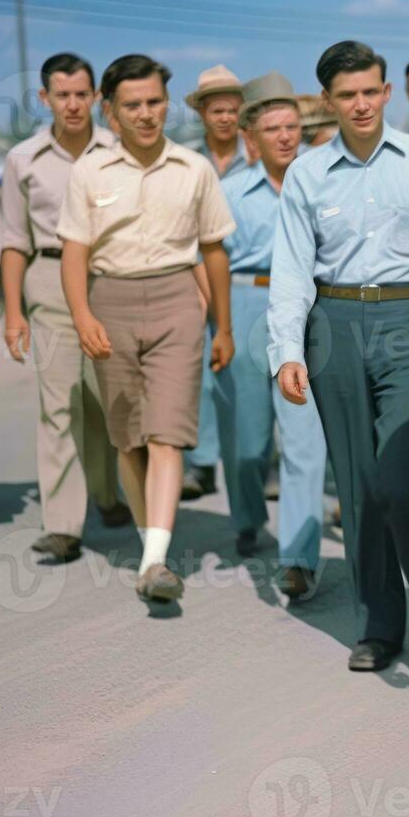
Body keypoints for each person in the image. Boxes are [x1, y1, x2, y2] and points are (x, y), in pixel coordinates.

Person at [269, 40, 409, 672]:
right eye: (347, 95)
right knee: (357, 485)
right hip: (336, 325)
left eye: (370, 91)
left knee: (403, 475)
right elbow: (292, 270)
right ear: (327, 101)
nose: (361, 104)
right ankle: (379, 622)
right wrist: (287, 351)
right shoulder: (306, 174)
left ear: (386, 91)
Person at [58, 54, 236, 603]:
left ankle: (155, 561)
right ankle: (149, 541)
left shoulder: (194, 169)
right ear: (110, 112)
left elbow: (213, 252)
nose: (145, 114)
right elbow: (73, 251)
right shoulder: (89, 171)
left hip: (177, 301)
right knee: (126, 437)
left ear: (166, 103)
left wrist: (222, 327)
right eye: (132, 106)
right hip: (109, 302)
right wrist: (83, 316)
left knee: (166, 430)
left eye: (154, 102)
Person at [0, 52, 132, 561]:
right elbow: (14, 240)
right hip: (50, 285)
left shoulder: (116, 153)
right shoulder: (22, 161)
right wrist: (14, 312)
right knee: (58, 405)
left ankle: (107, 493)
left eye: (82, 95)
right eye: (62, 95)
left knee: (106, 403)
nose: (73, 105)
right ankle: (63, 526)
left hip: (107, 282)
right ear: (44, 99)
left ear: (96, 98)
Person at [210, 72, 329, 596]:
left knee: (304, 441)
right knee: (248, 444)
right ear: (251, 137)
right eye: (273, 128)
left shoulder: (323, 182)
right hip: (245, 302)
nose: (286, 136)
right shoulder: (229, 192)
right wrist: (221, 325)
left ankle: (298, 558)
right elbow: (207, 261)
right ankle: (246, 515)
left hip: (307, 309)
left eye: (293, 127)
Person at [182, 64, 247, 501]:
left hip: (246, 278)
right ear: (202, 112)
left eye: (231, 109)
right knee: (199, 374)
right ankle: (201, 463)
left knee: (251, 370)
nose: (224, 117)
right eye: (216, 109)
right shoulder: (185, 159)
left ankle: (262, 461)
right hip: (191, 275)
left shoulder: (258, 154)